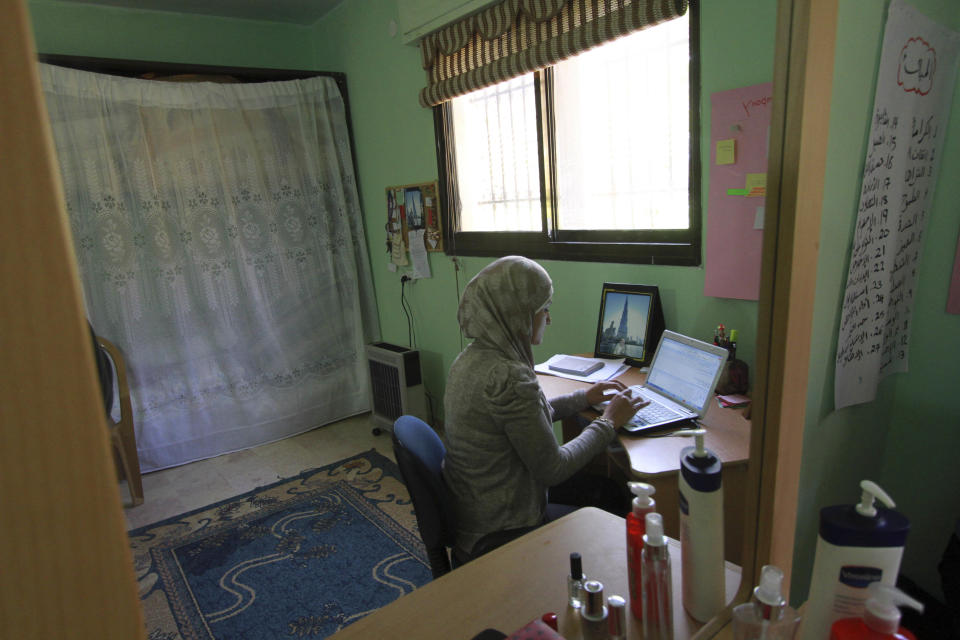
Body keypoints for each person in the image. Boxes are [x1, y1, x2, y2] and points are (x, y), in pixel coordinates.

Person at [442, 255, 649, 558]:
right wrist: (608, 422)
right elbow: (554, 468)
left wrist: (584, 398)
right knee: (615, 499)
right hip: (505, 528)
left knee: (604, 487)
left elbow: (525, 422)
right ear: (519, 314)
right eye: (544, 309)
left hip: (479, 510)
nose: (549, 318)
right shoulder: (508, 376)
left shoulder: (472, 358)